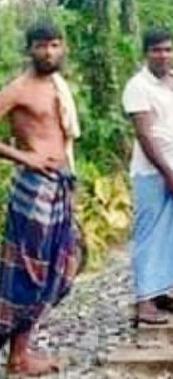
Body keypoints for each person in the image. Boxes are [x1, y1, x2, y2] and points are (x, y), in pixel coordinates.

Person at [0, 21, 83, 375]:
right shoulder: (18, 89)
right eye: (40, 46)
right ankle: (16, 355)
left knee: (61, 263)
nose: (48, 52)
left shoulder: (57, 86)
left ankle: (20, 353)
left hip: (60, 183)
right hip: (33, 188)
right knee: (27, 271)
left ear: (62, 47)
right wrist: (26, 157)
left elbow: (63, 135)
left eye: (54, 45)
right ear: (29, 49)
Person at [122, 28, 173, 324]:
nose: (163, 55)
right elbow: (145, 135)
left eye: (168, 49)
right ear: (146, 53)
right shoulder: (138, 86)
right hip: (153, 173)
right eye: (157, 50)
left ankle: (161, 293)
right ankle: (144, 302)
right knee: (150, 234)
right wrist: (168, 175)